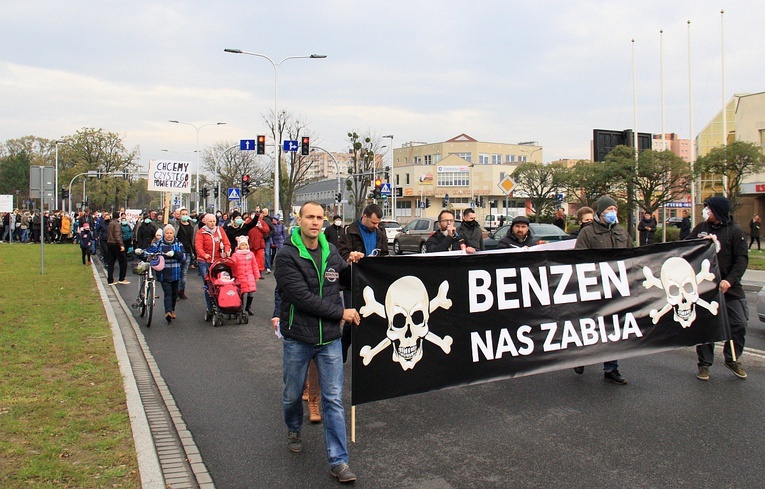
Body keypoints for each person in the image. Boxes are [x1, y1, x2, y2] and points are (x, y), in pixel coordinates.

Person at [273, 201, 363, 483]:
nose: (315, 222)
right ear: (298, 220)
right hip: (298, 337)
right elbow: (302, 297)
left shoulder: (331, 250)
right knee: (292, 394)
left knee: (333, 399)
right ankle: (293, 426)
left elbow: (341, 281)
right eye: (309, 217)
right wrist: (342, 313)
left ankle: (339, 461)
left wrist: (355, 265)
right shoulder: (286, 255)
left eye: (319, 218)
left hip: (330, 340)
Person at [688, 197, 749, 381]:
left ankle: (732, 358)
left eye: (708, 208)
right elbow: (685, 248)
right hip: (706, 288)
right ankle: (704, 364)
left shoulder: (735, 232)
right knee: (707, 327)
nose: (705, 211)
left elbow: (742, 260)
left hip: (729, 288)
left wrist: (729, 280)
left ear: (718, 210)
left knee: (738, 323)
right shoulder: (700, 229)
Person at [574, 195, 631, 385]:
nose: (612, 213)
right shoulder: (588, 233)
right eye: (608, 210)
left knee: (612, 329)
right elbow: (579, 260)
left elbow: (633, 255)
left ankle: (611, 368)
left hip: (616, 289)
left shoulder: (622, 232)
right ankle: (580, 356)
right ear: (600, 212)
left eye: (614, 209)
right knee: (590, 326)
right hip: (595, 288)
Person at [145, 225, 186, 323]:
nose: (169, 235)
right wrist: (142, 253)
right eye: (167, 233)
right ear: (164, 234)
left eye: (171, 233)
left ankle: (172, 310)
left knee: (174, 293)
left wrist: (175, 253)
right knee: (168, 293)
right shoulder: (159, 244)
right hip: (164, 273)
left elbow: (184, 256)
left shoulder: (178, 244)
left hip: (176, 272)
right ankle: (167, 312)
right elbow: (149, 251)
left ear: (173, 234)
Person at [195, 213, 231, 316]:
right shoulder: (201, 232)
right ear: (205, 222)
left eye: (214, 221)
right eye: (210, 221)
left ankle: (222, 304)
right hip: (205, 261)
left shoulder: (220, 230)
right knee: (208, 284)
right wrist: (204, 254)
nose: (212, 223)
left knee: (220, 282)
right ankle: (210, 307)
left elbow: (227, 243)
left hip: (218, 260)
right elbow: (198, 246)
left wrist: (227, 251)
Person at [231, 236, 260, 315]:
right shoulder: (235, 255)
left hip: (249, 276)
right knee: (241, 292)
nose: (244, 247)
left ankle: (248, 306)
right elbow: (233, 266)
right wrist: (233, 276)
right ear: (239, 246)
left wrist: (257, 275)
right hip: (240, 276)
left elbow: (254, 265)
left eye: (245, 245)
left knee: (251, 291)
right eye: (242, 245)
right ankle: (241, 307)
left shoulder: (251, 254)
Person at [173, 208, 196, 300]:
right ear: (180, 215)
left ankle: (182, 291)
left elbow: (193, 239)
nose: (185, 215)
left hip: (188, 252)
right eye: (183, 214)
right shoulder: (176, 225)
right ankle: (176, 290)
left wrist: (194, 252)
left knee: (184, 273)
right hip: (178, 251)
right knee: (177, 272)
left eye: (186, 214)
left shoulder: (192, 226)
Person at [106, 211, 129, 285]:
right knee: (123, 261)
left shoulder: (110, 223)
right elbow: (117, 235)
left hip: (110, 243)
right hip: (116, 244)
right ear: (118, 216)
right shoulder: (117, 224)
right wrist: (121, 245)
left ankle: (110, 279)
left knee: (111, 262)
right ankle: (122, 278)